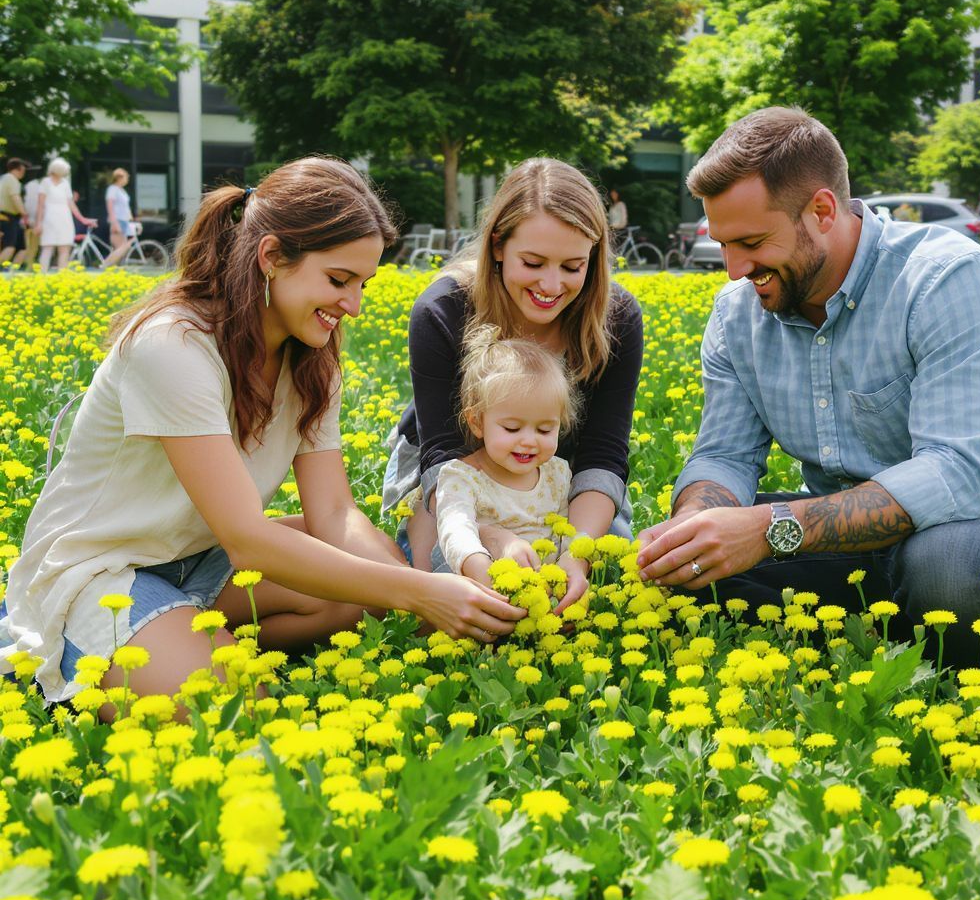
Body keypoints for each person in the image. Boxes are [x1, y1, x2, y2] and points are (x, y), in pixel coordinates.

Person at [0, 157, 523, 709]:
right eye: (339, 280)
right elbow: (248, 538)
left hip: (202, 559)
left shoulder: (311, 358)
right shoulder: (173, 345)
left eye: (363, 283)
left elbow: (335, 515)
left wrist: (425, 596)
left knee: (359, 596)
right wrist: (421, 593)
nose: (353, 306)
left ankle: (178, 630)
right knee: (232, 708)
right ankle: (78, 639)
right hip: (100, 571)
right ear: (271, 257)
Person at [636, 107, 980, 665]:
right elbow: (724, 454)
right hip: (839, 540)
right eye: (722, 244)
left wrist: (771, 531)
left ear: (821, 210)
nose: (733, 268)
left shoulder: (946, 278)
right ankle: (884, 637)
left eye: (751, 242)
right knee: (684, 572)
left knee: (948, 572)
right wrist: (695, 526)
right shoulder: (736, 313)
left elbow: (954, 475)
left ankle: (907, 630)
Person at [383, 157, 644, 611]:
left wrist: (573, 556)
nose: (551, 284)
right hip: (452, 475)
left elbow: (603, 453)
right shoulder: (443, 310)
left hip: (560, 475)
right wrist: (490, 536)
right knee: (437, 580)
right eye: (533, 262)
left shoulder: (616, 317)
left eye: (572, 266)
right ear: (499, 245)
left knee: (608, 576)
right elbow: (442, 456)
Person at [433, 326, 577, 582]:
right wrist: (477, 566)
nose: (529, 441)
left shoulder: (557, 473)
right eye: (512, 428)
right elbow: (455, 529)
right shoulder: (462, 478)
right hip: (483, 584)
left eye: (545, 429)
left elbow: (567, 534)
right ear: (477, 422)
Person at [36, 157, 96, 272]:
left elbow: (71, 204)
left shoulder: (65, 184)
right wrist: (39, 223)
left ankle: (62, 274)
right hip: (50, 217)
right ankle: (41, 275)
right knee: (48, 247)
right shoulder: (45, 182)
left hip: (64, 217)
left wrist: (82, 219)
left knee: (65, 247)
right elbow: (40, 204)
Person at [101, 168, 136, 269]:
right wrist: (114, 223)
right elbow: (110, 206)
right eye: (126, 177)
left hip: (124, 221)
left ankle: (112, 268)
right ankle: (105, 265)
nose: (127, 179)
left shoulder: (121, 190)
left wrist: (130, 218)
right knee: (121, 247)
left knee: (123, 248)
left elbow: (125, 207)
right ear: (119, 178)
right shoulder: (112, 189)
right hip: (118, 221)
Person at [0, 158, 32, 266]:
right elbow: (15, 197)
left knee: (22, 248)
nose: (24, 173)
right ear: (18, 169)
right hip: (7, 216)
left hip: (12, 217)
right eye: (23, 170)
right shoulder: (11, 179)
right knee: (10, 246)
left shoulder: (4, 178)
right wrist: (24, 213)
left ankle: (12, 273)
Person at [22, 172, 42, 269]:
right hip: (32, 220)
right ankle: (28, 266)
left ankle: (28, 265)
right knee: (32, 246)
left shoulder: (28, 185)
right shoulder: (34, 186)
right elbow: (32, 205)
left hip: (28, 220)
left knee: (30, 246)